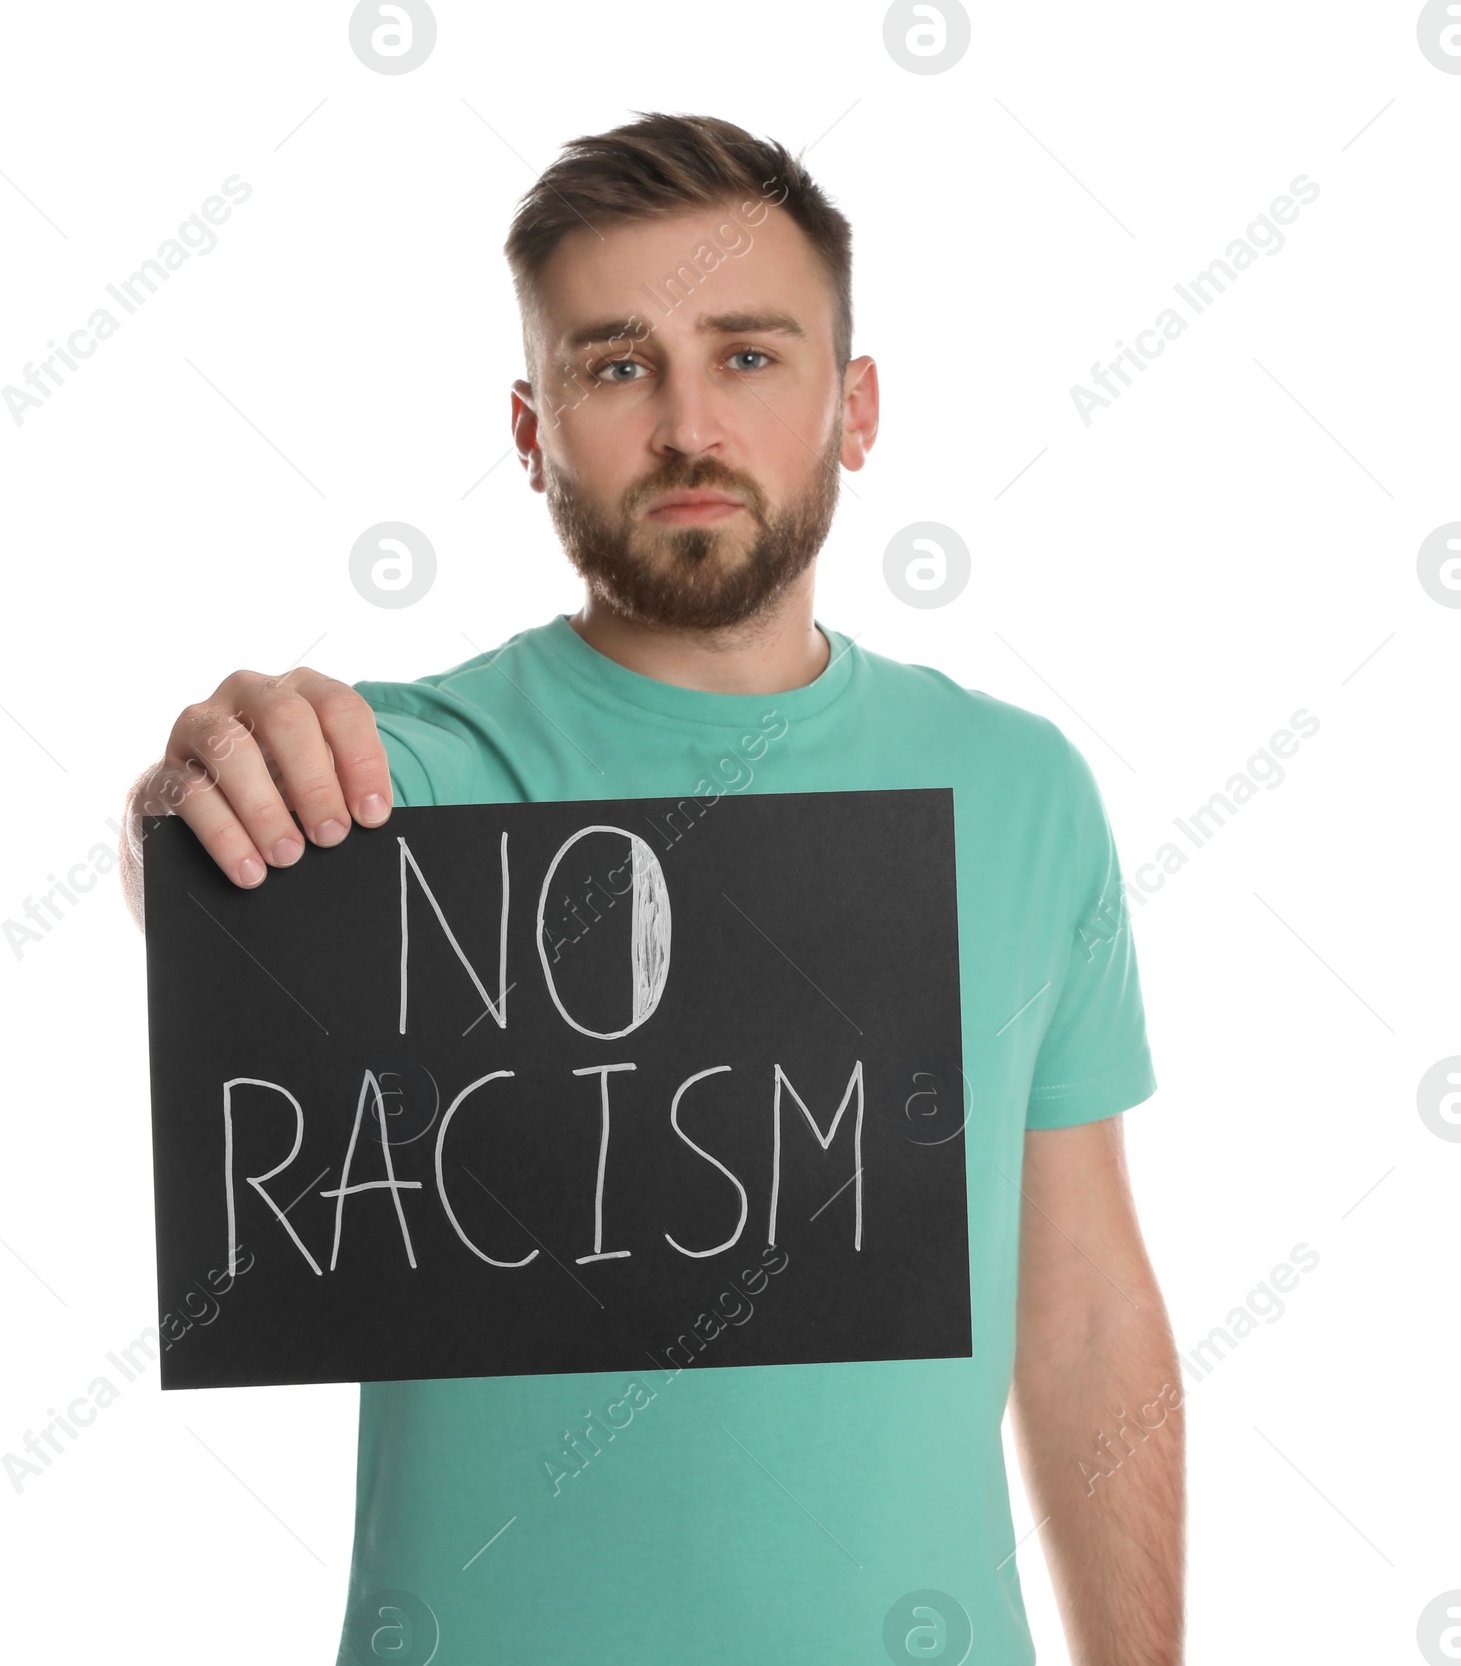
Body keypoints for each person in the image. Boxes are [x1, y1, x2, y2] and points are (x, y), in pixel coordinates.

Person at [119, 111, 1184, 1665]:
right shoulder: (413, 778)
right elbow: (221, 866)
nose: (690, 426)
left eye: (749, 356)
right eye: (617, 366)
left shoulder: (1021, 791)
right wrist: (189, 795)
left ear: (856, 405)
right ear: (531, 427)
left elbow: (1083, 1304)